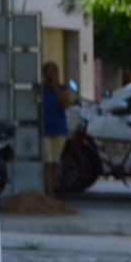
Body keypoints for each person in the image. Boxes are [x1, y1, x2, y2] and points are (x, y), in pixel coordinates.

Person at [38, 62, 74, 197]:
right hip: (45, 129)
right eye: (49, 73)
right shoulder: (41, 90)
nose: (52, 76)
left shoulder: (62, 88)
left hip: (59, 129)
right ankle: (49, 191)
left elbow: (64, 104)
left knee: (55, 161)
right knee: (48, 161)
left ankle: (53, 188)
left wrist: (55, 87)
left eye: (54, 73)